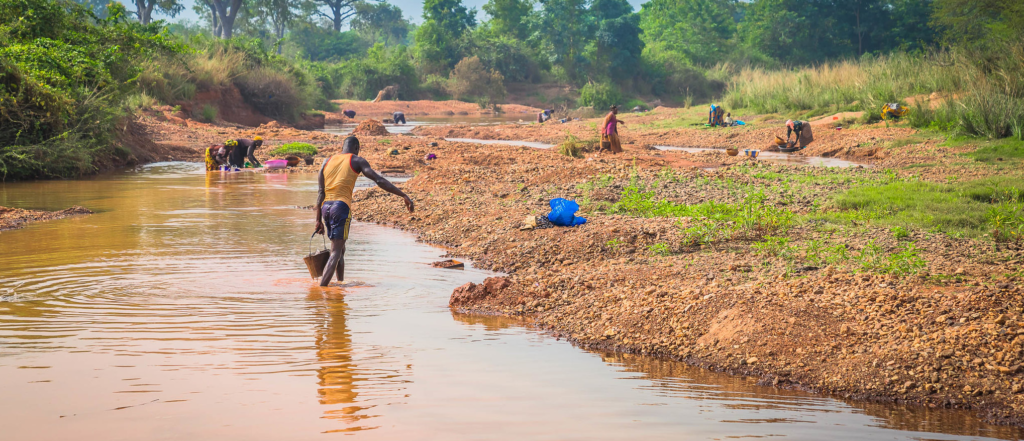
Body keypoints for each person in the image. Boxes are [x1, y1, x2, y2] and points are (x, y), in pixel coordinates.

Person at [314, 136, 414, 287]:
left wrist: (317, 220)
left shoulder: (326, 161)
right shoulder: (357, 160)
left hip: (326, 207)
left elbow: (321, 192)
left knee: (340, 249)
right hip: (341, 207)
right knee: (335, 252)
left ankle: (340, 284)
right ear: (356, 148)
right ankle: (322, 289)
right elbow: (379, 180)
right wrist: (403, 195)